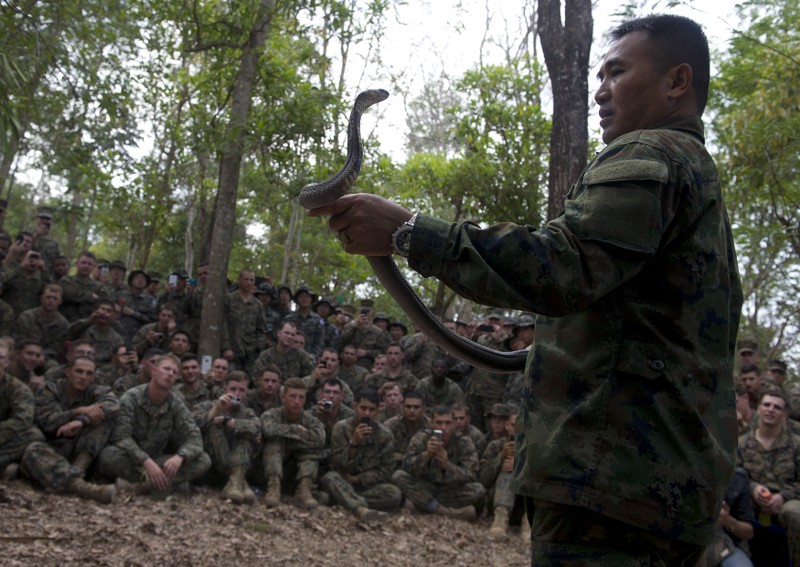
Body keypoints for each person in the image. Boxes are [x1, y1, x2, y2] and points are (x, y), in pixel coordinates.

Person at [310, 14, 741, 562]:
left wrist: (410, 232)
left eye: (617, 72)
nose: (601, 91)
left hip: (608, 481)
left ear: (677, 82)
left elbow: (562, 265)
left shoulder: (650, 155)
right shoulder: (698, 180)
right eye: (599, 76)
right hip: (658, 482)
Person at [97, 354, 211, 496]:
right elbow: (121, 436)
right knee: (107, 456)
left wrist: (180, 457)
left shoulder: (176, 403)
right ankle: (170, 484)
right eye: (166, 369)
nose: (170, 374)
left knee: (203, 460)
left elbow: (194, 438)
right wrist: (145, 461)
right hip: (132, 458)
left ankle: (141, 486)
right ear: (154, 371)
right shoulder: (132, 397)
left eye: (174, 372)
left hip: (158, 459)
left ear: (176, 380)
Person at [21, 357, 118, 503]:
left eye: (88, 373)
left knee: (103, 419)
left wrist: (82, 421)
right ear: (68, 372)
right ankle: (82, 486)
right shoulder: (49, 389)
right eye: (79, 371)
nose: (83, 377)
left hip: (81, 453)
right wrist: (77, 412)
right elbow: (48, 421)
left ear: (93, 377)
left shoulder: (96, 391)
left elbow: (113, 405)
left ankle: (76, 472)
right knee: (33, 449)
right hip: (52, 448)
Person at [737, 390, 799, 565]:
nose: (771, 409)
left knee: (795, 514)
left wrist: (783, 497)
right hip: (749, 502)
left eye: (777, 407)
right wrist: (753, 487)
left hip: (786, 502)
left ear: (785, 414)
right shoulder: (741, 443)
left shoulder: (796, 445)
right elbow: (734, 476)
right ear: (758, 409)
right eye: (766, 405)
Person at [320, 388, 402, 521]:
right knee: (330, 477)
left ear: (377, 411)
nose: (367, 413)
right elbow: (336, 462)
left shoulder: (384, 435)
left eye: (371, 410)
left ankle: (342, 500)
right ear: (354, 407)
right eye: (363, 408)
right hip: (342, 480)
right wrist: (354, 443)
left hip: (366, 487)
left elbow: (386, 470)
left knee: (394, 494)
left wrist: (358, 479)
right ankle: (360, 510)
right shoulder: (341, 428)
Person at [392, 404, 485, 521]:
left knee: (478, 490)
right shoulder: (421, 438)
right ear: (432, 423)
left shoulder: (464, 442)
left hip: (450, 491)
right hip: (426, 487)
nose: (443, 428)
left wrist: (447, 466)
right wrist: (427, 454)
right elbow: (406, 466)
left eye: (448, 423)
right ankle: (445, 512)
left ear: (453, 424)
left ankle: (421, 505)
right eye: (439, 423)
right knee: (398, 476)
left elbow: (472, 476)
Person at [193, 371, 260, 504]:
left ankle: (235, 482)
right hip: (211, 465)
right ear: (225, 389)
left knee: (246, 435)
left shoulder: (247, 412)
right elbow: (192, 425)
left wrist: (230, 422)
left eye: (241, 390)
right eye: (233, 389)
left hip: (241, 462)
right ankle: (241, 483)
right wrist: (216, 409)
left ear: (246, 393)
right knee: (214, 425)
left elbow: (257, 427)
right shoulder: (206, 405)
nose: (237, 393)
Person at [260, 377, 326, 508]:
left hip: (294, 471)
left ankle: (304, 490)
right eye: (293, 396)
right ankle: (273, 489)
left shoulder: (309, 419)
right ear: (283, 398)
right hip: (267, 470)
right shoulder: (271, 415)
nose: (297, 402)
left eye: (301, 397)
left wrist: (288, 438)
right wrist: (295, 430)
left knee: (311, 450)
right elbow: (268, 429)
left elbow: (319, 439)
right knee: (274, 443)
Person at [0, 343, 45, 479]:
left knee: (34, 435)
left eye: (0, 357)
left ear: (7, 362)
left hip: (3, 435)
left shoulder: (18, 389)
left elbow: (23, 419)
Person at [222, 268, 267, 373]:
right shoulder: (229, 299)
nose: (249, 283)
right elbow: (223, 325)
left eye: (252, 280)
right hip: (232, 350)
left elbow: (261, 329)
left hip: (251, 352)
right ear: (239, 280)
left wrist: (258, 347)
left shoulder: (258, 305)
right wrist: (226, 347)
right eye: (246, 279)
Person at [15, 283, 69, 361]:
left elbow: (57, 347)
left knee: (54, 368)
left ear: (60, 301)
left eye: (55, 298)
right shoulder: (26, 317)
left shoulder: (63, 324)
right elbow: (20, 340)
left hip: (46, 358)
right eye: (48, 297)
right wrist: (33, 354)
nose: (51, 301)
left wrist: (42, 356)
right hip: (25, 354)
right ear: (41, 298)